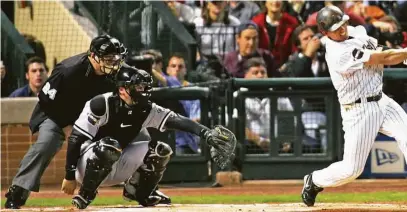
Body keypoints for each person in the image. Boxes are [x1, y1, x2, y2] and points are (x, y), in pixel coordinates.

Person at [2, 35, 170, 209]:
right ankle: (18, 191)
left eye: (117, 58)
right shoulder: (68, 70)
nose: (114, 63)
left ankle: (143, 187)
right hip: (57, 114)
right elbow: (47, 101)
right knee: (46, 143)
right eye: (108, 58)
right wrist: (70, 128)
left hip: (95, 114)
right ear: (93, 56)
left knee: (139, 131)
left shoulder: (120, 71)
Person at [301, 6, 407, 208]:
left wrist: (406, 56)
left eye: (343, 24)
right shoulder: (338, 53)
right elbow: (379, 59)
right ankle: (314, 180)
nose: (341, 30)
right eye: (335, 28)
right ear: (324, 32)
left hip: (381, 100)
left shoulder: (357, 32)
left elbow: (380, 50)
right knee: (352, 170)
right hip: (358, 111)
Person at [61, 66, 236, 209]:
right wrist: (69, 176)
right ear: (122, 90)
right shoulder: (101, 104)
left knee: (161, 151)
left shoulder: (145, 108)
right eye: (138, 87)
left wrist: (206, 133)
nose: (143, 91)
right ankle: (86, 194)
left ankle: (140, 192)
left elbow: (177, 120)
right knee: (109, 145)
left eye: (144, 86)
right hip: (86, 164)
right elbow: (76, 138)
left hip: (116, 161)